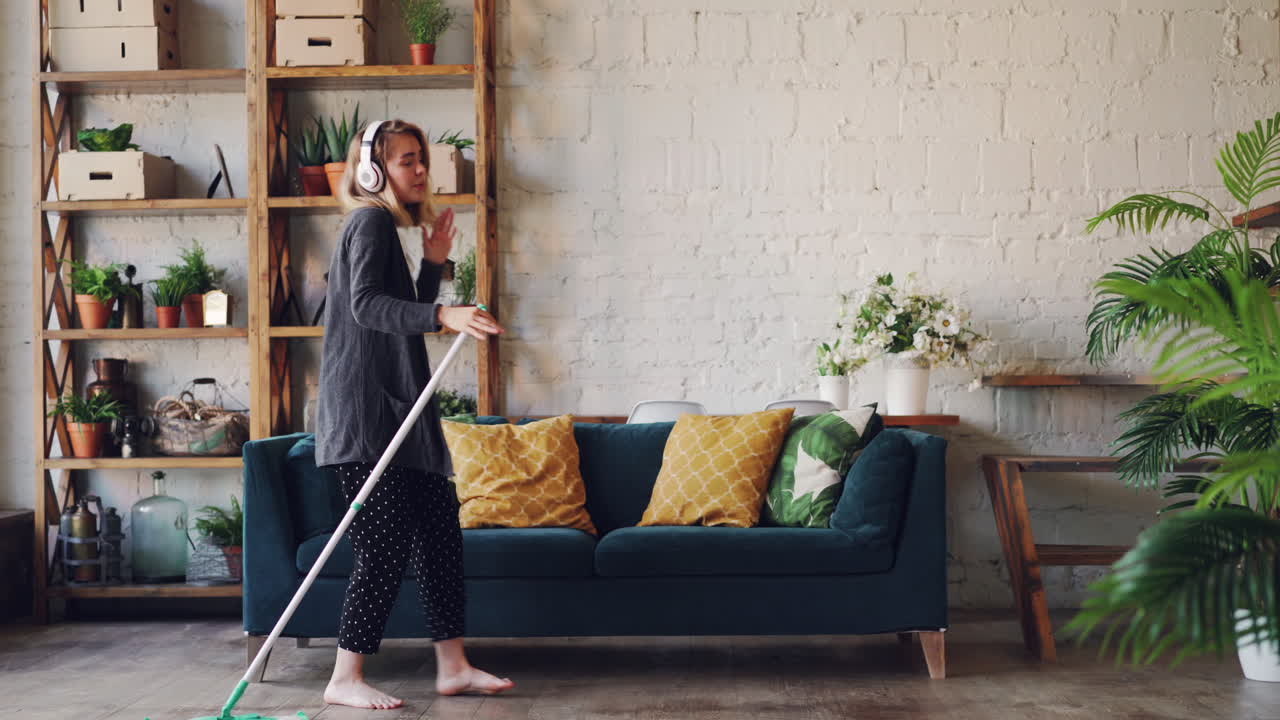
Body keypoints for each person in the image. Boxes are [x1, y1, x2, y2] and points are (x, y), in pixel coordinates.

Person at [314, 118, 512, 709]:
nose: (420, 169)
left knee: (439, 536)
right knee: (383, 545)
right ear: (375, 170)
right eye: (406, 160)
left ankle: (453, 666)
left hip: (402, 414)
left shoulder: (386, 230)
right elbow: (368, 306)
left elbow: (400, 312)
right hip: (369, 419)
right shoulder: (369, 221)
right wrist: (445, 315)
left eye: (422, 159)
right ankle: (344, 675)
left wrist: (431, 266)